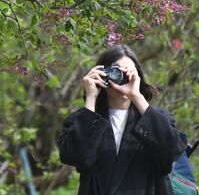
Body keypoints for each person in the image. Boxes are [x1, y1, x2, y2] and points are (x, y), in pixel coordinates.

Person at [57, 44, 186, 195]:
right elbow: (74, 156)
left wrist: (136, 96)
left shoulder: (156, 119)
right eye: (116, 71)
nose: (123, 77)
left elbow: (173, 151)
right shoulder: (84, 120)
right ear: (103, 74)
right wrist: (91, 97)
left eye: (129, 72)